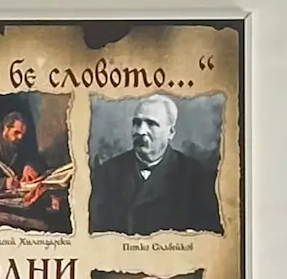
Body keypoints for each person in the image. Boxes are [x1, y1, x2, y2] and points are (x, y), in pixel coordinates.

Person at [89, 93, 223, 235]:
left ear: (170, 132)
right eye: (136, 123)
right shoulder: (107, 173)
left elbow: (208, 237)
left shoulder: (195, 176)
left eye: (151, 124)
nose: (140, 131)